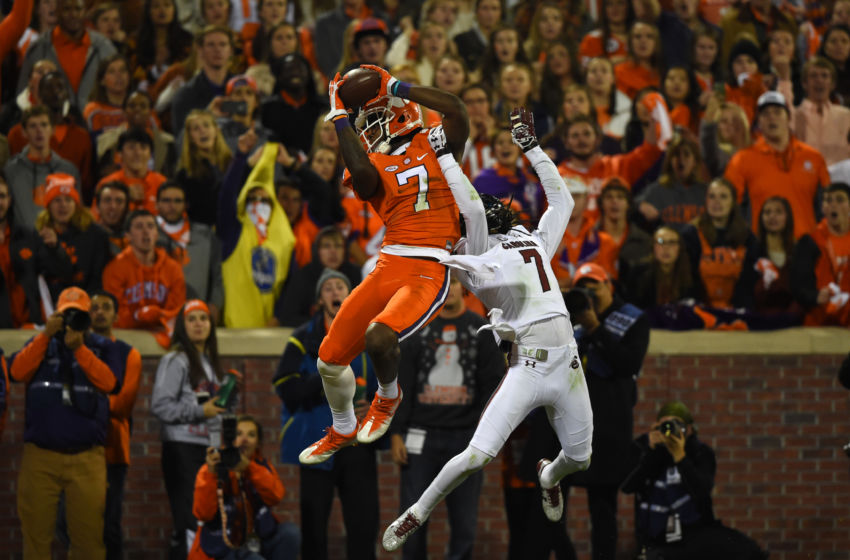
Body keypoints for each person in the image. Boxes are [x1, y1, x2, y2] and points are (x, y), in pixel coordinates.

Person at [383, 108, 593, 551]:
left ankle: (549, 475)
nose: (494, 205)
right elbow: (474, 209)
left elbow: (564, 202)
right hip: (529, 367)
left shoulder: (533, 239)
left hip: (568, 364)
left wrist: (534, 149)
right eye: (488, 203)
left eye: (498, 202)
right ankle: (416, 513)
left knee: (581, 458)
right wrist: (444, 157)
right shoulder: (477, 246)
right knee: (477, 456)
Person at [297, 62, 473, 464]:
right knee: (328, 360)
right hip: (390, 262)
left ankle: (388, 396)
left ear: (400, 113)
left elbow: (456, 109)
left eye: (373, 118)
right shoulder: (370, 162)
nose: (367, 128)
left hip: (429, 266)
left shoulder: (436, 141)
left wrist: (399, 86)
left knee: (379, 337)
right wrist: (339, 114)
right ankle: (342, 428)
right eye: (362, 122)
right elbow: (359, 172)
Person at [389, 272, 504, 559]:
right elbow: (402, 384)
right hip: (419, 437)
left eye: (454, 282)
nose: (450, 288)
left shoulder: (482, 331)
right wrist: (395, 434)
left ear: (462, 288)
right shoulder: (416, 331)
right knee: (411, 519)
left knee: (464, 523)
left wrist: (484, 435)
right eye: (445, 281)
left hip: (465, 438)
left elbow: (494, 388)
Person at [273, 268, 380, 560]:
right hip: (317, 442)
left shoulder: (370, 337)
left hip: (357, 445)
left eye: (340, 287)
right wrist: (327, 377)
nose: (335, 292)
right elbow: (285, 386)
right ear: (320, 299)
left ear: (350, 296)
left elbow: (387, 387)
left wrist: (372, 406)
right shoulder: (301, 339)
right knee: (314, 528)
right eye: (328, 288)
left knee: (363, 527)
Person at [10, 287, 119, 560]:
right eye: (65, 315)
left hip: (87, 459)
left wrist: (80, 349)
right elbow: (17, 371)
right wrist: (46, 334)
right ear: (54, 315)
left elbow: (109, 383)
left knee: (89, 544)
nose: (71, 321)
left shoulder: (103, 347)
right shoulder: (39, 344)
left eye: (78, 315)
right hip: (41, 458)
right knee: (35, 540)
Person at [559, 261, 649, 560]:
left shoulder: (632, 319)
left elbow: (627, 364)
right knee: (554, 507)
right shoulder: (568, 317)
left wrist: (595, 326)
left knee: (603, 509)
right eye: (583, 289)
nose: (589, 295)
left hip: (610, 426)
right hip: (568, 424)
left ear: (609, 285)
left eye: (593, 287)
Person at [621, 401, 768, 560]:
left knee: (747, 551)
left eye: (676, 426)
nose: (670, 431)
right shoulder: (648, 448)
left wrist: (681, 457)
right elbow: (627, 486)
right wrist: (649, 450)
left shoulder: (700, 453)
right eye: (665, 426)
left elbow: (702, 491)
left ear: (689, 429)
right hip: (657, 534)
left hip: (694, 531)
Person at [151, 299, 232, 559]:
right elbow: (161, 406)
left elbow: (212, 410)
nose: (198, 324)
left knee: (208, 521)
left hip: (208, 450)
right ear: (182, 326)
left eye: (203, 318)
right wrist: (201, 411)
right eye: (192, 319)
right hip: (181, 449)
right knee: (189, 522)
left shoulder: (211, 363)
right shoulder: (176, 359)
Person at [188, 414, 300, 560]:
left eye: (251, 435)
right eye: (239, 434)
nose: (244, 439)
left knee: (290, 533)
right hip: (223, 546)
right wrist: (212, 474)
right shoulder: (212, 468)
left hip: (256, 540)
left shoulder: (260, 466)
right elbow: (203, 514)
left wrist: (249, 468)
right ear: (230, 439)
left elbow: (276, 496)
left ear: (258, 443)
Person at [725, 91, 830, 240]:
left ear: (788, 117)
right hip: (762, 246)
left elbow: (827, 206)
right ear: (759, 121)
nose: (771, 117)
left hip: (806, 247)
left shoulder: (814, 157)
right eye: (765, 114)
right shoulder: (741, 160)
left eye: (777, 112)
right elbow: (730, 207)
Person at [217, 137, 295, 327]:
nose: (258, 204)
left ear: (274, 206)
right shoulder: (234, 232)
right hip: (236, 328)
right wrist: (241, 157)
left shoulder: (285, 240)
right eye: (251, 199)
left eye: (264, 200)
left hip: (271, 330)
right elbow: (226, 196)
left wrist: (279, 315)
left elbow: (290, 287)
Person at [89, 289, 142, 560]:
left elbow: (122, 404)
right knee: (69, 522)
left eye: (106, 307)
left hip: (113, 450)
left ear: (116, 314)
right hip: (76, 447)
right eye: (94, 307)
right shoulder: (76, 350)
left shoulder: (128, 354)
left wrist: (83, 403)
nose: (99, 312)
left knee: (110, 524)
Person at [102, 209, 186, 346]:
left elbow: (177, 312)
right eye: (139, 227)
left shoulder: (173, 268)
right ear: (128, 235)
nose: (146, 232)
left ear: (157, 234)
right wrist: (137, 317)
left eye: (150, 226)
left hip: (164, 338)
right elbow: (113, 315)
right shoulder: (115, 269)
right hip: (125, 340)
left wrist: (160, 315)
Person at [17, 0, 118, 110]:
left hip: (96, 123)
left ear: (85, 12)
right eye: (67, 9)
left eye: (78, 9)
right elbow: (22, 96)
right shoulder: (38, 49)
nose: (73, 15)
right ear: (58, 11)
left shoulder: (104, 47)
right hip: (51, 124)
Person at [681, 178, 758, 310]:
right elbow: (688, 280)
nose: (717, 202)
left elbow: (749, 281)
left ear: (733, 202)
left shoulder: (748, 238)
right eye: (712, 196)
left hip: (738, 311)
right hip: (699, 311)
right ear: (706, 201)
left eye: (723, 196)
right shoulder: (690, 235)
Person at [33, 173, 110, 302]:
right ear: (48, 206)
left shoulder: (96, 235)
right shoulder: (39, 236)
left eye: (68, 200)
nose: (63, 205)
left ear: (76, 204)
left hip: (87, 304)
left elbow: (98, 278)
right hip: (52, 307)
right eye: (57, 200)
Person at [156, 181, 224, 323]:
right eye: (166, 200)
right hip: (159, 313)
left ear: (186, 205)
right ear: (157, 204)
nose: (172, 206)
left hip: (197, 314)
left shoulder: (205, 235)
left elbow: (218, 274)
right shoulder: (148, 234)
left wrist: (215, 305)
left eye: (178, 201)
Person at [4, 105, 80, 227]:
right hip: (23, 243)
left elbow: (77, 212)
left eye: (44, 125)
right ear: (24, 132)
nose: (39, 131)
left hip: (61, 241)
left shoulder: (68, 170)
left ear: (52, 130)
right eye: (33, 126)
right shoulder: (11, 171)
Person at [276, 226, 361, 327]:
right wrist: (321, 326)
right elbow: (288, 317)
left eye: (338, 246)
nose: (333, 251)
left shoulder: (355, 274)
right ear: (317, 251)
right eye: (326, 246)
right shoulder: (302, 276)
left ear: (345, 251)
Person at [792, 182, 850, 326]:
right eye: (828, 200)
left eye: (840, 200)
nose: (833, 205)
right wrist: (815, 297)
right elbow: (798, 286)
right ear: (823, 207)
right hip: (819, 324)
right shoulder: (810, 242)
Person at [171, 26, 235, 135]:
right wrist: (208, 116)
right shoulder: (185, 96)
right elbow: (180, 142)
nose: (217, 49)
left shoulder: (243, 90)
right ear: (200, 50)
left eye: (223, 44)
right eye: (211, 45)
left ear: (231, 51)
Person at [0, 176, 42, 327]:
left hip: (27, 326)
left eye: (2, 196)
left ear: (10, 200)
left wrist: (55, 248)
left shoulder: (28, 235)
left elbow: (52, 272)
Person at [792, 56, 850, 166]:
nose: (819, 80)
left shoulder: (846, 116)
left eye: (824, 76)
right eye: (813, 76)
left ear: (833, 84)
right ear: (804, 83)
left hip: (840, 180)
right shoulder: (794, 115)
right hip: (805, 177)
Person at [96, 127, 167, 214]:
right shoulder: (106, 185)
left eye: (143, 147)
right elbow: (97, 221)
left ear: (150, 154)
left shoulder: (162, 183)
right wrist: (123, 197)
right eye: (131, 147)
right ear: (119, 154)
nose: (138, 153)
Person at [453, 0, 502, 72]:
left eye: (494, 8)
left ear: (500, 12)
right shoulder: (461, 40)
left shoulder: (507, 39)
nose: (490, 13)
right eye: (485, 8)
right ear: (476, 12)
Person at [94, 180, 130, 257]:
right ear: (97, 207)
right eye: (107, 200)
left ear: (126, 208)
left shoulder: (135, 240)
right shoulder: (88, 239)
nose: (113, 206)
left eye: (119, 201)